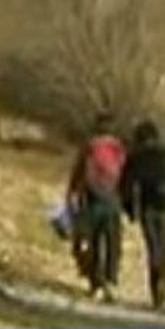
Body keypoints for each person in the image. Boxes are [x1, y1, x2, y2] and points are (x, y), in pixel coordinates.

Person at [120, 119, 165, 309]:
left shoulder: (136, 156)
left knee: (153, 248)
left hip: (148, 207)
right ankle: (164, 287)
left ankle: (156, 289)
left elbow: (127, 184)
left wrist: (129, 210)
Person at [64, 111, 127, 302]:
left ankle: (95, 282)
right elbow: (126, 176)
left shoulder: (89, 147)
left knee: (88, 241)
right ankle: (111, 280)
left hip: (90, 200)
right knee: (112, 243)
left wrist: (71, 193)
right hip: (112, 201)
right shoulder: (119, 149)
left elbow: (78, 172)